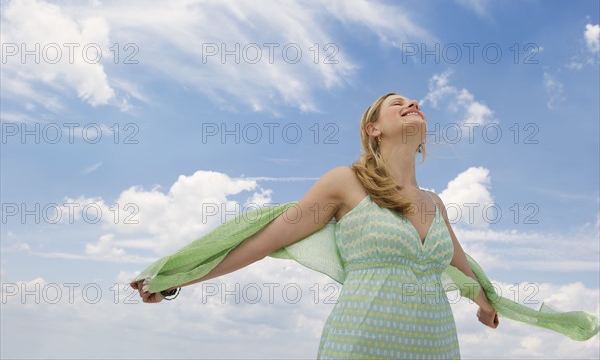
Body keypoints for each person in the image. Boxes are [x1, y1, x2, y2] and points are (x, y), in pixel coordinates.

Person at [131, 92, 499, 359]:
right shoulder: (345, 182)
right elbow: (262, 242)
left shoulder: (435, 204)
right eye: (396, 104)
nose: (412, 104)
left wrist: (485, 305)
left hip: (437, 346)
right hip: (361, 343)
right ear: (374, 129)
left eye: (414, 103)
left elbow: (461, 269)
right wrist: (177, 278)